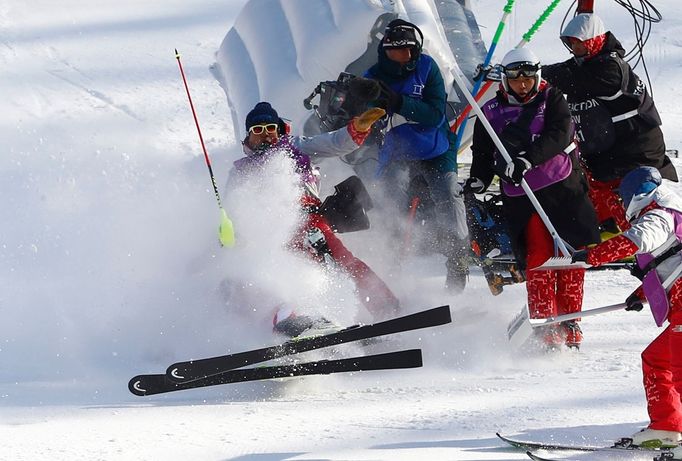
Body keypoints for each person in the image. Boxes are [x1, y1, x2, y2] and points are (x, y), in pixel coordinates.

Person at [465, 48, 600, 349]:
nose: (523, 85)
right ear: (505, 80)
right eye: (516, 80)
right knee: (538, 256)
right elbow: (483, 151)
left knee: (569, 255)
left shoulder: (553, 98)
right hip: (522, 196)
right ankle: (544, 321)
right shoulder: (490, 112)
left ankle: (571, 319)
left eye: (528, 78)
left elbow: (559, 135)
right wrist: (480, 178)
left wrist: (528, 160)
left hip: (563, 189)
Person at [228, 101, 400, 336]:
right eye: (258, 130)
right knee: (260, 276)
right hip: (268, 231)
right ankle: (286, 322)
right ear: (249, 137)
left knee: (342, 261)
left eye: (270, 128)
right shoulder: (240, 170)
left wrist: (357, 129)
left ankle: (387, 309)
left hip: (309, 222)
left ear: (279, 130)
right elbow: (231, 209)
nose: (265, 135)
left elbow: (333, 142)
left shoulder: (296, 148)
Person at [571, 166, 682, 450]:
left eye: (623, 199)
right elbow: (669, 264)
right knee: (656, 360)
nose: (622, 205)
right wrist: (642, 294)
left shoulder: (658, 215)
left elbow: (639, 239)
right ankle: (666, 427)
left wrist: (593, 256)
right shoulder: (669, 215)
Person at [542, 13, 678, 234]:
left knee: (628, 193)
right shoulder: (589, 61)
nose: (575, 50)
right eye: (572, 45)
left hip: (636, 147)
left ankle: (637, 237)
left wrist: (541, 74)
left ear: (594, 41)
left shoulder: (610, 69)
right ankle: (607, 229)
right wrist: (531, 72)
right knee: (589, 183)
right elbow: (563, 71)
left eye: (580, 45)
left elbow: (572, 80)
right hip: (611, 147)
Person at [364, 19, 470, 293]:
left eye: (409, 50)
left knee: (448, 194)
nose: (405, 57)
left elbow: (435, 115)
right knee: (384, 201)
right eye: (397, 51)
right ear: (385, 50)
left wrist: (399, 103)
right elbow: (358, 118)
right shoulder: (372, 76)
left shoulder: (427, 67)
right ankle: (388, 271)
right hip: (397, 153)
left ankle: (458, 260)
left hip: (436, 149)